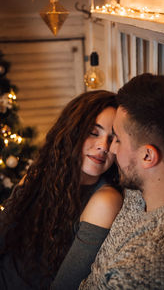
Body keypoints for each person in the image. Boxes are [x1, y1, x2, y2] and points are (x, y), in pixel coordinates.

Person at [79, 73, 164, 289]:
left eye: (117, 138)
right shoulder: (143, 191)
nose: (111, 149)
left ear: (147, 157)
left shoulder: (143, 268)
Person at [0, 90, 123, 290]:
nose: (103, 146)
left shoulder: (105, 200)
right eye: (93, 132)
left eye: (113, 139)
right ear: (73, 131)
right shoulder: (42, 173)